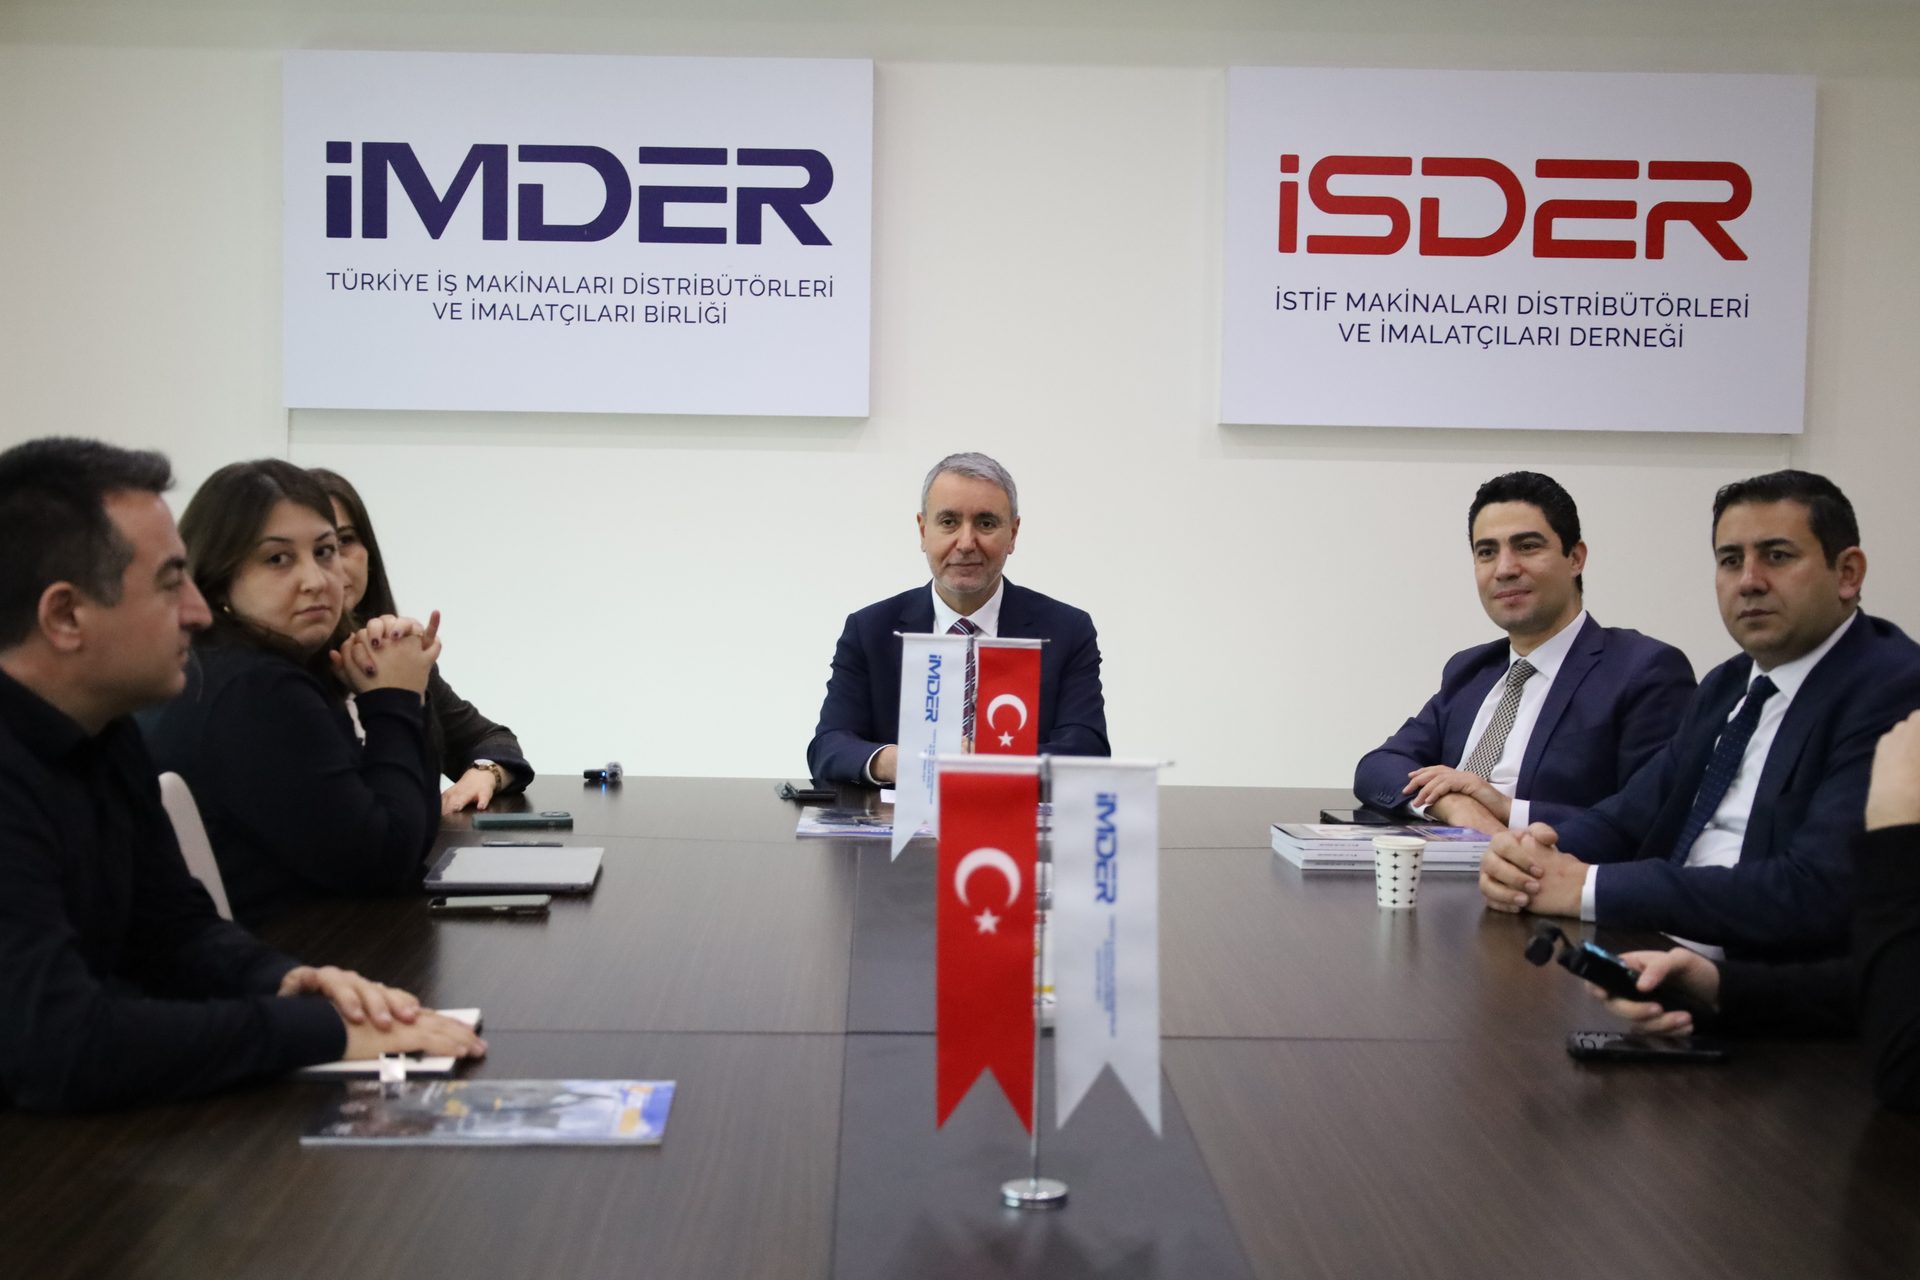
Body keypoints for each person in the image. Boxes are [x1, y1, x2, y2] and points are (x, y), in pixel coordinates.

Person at [0, 438, 482, 1111]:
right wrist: (317, 1029)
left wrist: (293, 982)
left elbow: (174, 930)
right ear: (65, 615)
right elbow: (59, 1043)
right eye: (172, 583)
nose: (198, 612)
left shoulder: (102, 737)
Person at [1480, 470, 1920, 959]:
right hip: (1662, 952)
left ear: (1848, 573)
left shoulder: (1893, 690)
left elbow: (1814, 890)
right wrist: (1528, 855)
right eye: (1731, 561)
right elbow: (1630, 815)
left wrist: (1590, 887)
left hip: (1774, 996)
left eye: (1777, 556)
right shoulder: (1730, 685)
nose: (1750, 581)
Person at [143, 460, 443, 926]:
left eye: (325, 552)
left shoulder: (224, 666)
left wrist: (406, 695)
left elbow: (410, 837)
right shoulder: (257, 690)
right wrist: (393, 701)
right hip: (280, 959)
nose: (318, 580)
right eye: (278, 559)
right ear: (220, 578)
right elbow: (386, 864)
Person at [1596, 709, 1920, 1109]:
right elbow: (1876, 989)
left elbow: (1906, 1073)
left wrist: (1899, 835)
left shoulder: (1890, 688)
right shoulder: (1727, 684)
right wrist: (1717, 987)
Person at [1353, 472, 1695, 836]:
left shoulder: (1643, 669)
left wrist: (1507, 811)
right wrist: (1454, 804)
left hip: (1549, 878)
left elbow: (1654, 820)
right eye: (1487, 552)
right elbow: (1377, 767)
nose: (1504, 569)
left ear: (1575, 558)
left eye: (1527, 546)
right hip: (1444, 874)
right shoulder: (1472, 670)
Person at [807, 452, 1109, 785]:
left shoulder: (1066, 630)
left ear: (1013, 533)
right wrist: (898, 761)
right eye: (949, 522)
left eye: (986, 523)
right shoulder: (871, 629)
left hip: (1015, 825)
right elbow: (829, 746)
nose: (966, 543)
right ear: (923, 531)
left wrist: (991, 761)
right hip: (903, 829)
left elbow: (1087, 750)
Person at [310, 467, 531, 814]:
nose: (335, 563)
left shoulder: (392, 652)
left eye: (345, 541)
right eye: (320, 550)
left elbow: (490, 739)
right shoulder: (279, 679)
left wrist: (485, 772)